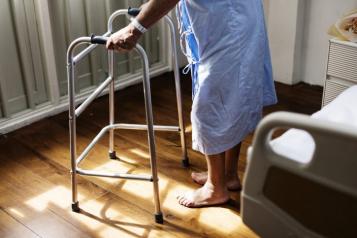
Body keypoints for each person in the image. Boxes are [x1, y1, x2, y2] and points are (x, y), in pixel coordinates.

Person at [106, 0, 277, 208]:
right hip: (236, 18)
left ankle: (216, 188)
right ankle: (227, 175)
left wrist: (135, 28)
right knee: (234, 98)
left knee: (211, 105)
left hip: (229, 24)